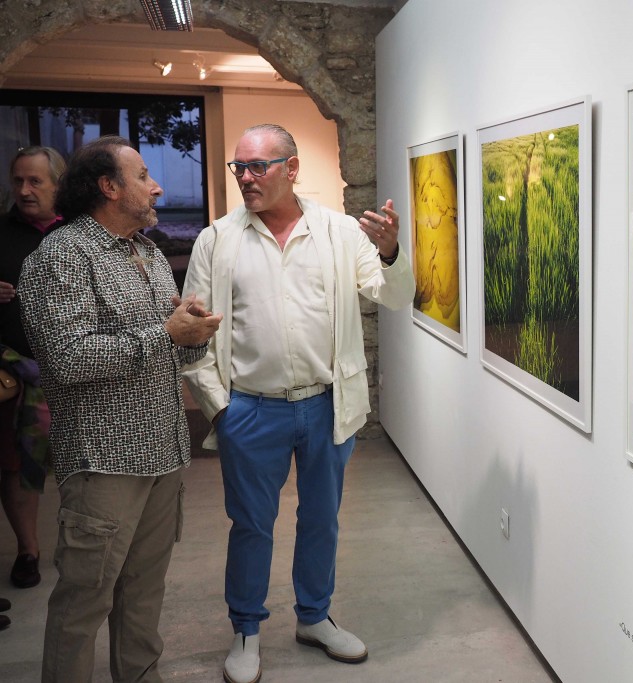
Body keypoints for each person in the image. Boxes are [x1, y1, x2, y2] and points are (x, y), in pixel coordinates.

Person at [181, 123, 413, 683]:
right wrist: (219, 408)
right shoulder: (218, 239)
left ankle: (314, 617)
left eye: (258, 166)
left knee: (321, 520)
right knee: (252, 524)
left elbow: (397, 296)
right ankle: (247, 629)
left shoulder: (338, 232)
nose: (246, 178)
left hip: (324, 405)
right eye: (240, 167)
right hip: (250, 409)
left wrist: (390, 251)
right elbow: (192, 332)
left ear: (292, 168)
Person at [17, 135, 222, 682]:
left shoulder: (148, 251)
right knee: (85, 601)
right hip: (104, 459)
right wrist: (165, 332)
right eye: (142, 176)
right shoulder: (60, 257)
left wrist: (193, 331)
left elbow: (172, 350)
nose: (156, 186)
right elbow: (67, 359)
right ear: (109, 188)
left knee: (144, 592)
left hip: (163, 449)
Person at [0, 146, 65, 591]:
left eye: (35, 181)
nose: (24, 190)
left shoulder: (80, 233)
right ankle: (28, 549)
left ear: (58, 185)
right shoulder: (1, 232)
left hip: (78, 372)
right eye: (18, 180)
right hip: (16, 374)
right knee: (19, 464)